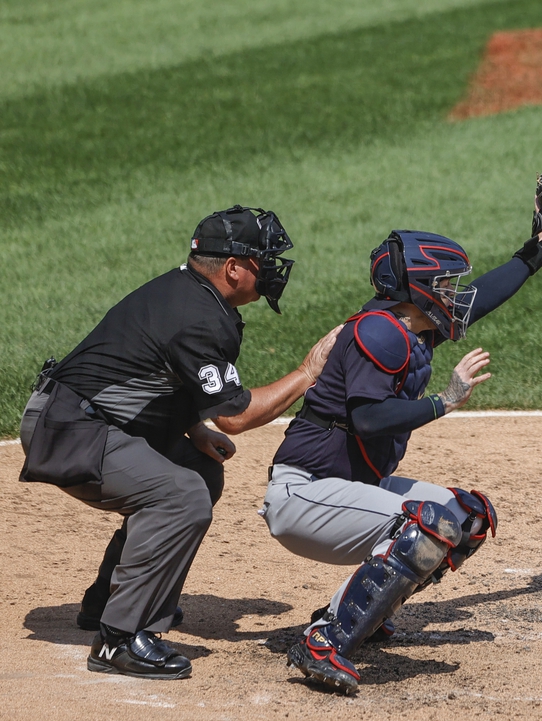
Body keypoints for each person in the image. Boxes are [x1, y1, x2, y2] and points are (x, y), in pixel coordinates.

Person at [263, 153, 542, 695]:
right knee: (428, 523)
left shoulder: (411, 326)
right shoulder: (377, 332)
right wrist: (445, 400)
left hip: (347, 489)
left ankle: (366, 611)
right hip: (306, 495)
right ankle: (326, 641)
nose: (457, 290)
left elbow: (482, 297)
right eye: (446, 281)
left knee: (466, 516)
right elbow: (368, 419)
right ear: (419, 287)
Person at [19, 205, 341, 680]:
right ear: (233, 268)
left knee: (198, 470)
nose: (272, 270)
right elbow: (235, 416)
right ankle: (118, 639)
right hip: (71, 430)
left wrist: (193, 429)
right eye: (264, 261)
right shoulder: (198, 315)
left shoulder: (192, 294)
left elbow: (154, 374)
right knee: (182, 495)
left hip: (82, 417)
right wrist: (308, 372)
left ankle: (107, 598)